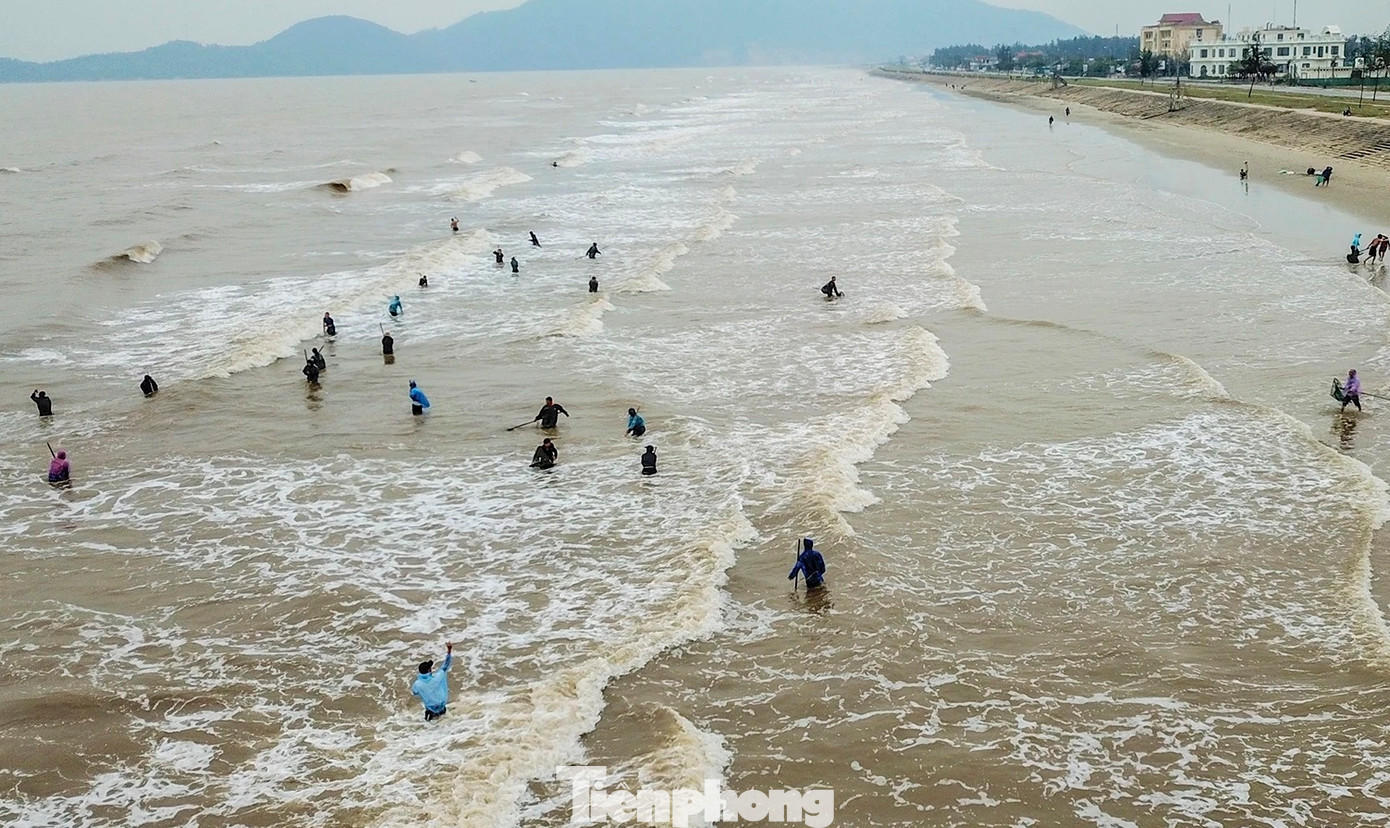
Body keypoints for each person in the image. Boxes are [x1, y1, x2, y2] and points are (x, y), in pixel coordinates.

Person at [411, 642, 452, 721]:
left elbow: (415, 692)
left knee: (430, 730)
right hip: (442, 709)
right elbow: (446, 665)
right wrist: (449, 651)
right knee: (445, 725)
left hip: (430, 712)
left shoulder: (417, 684)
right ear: (429, 670)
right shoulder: (437, 677)